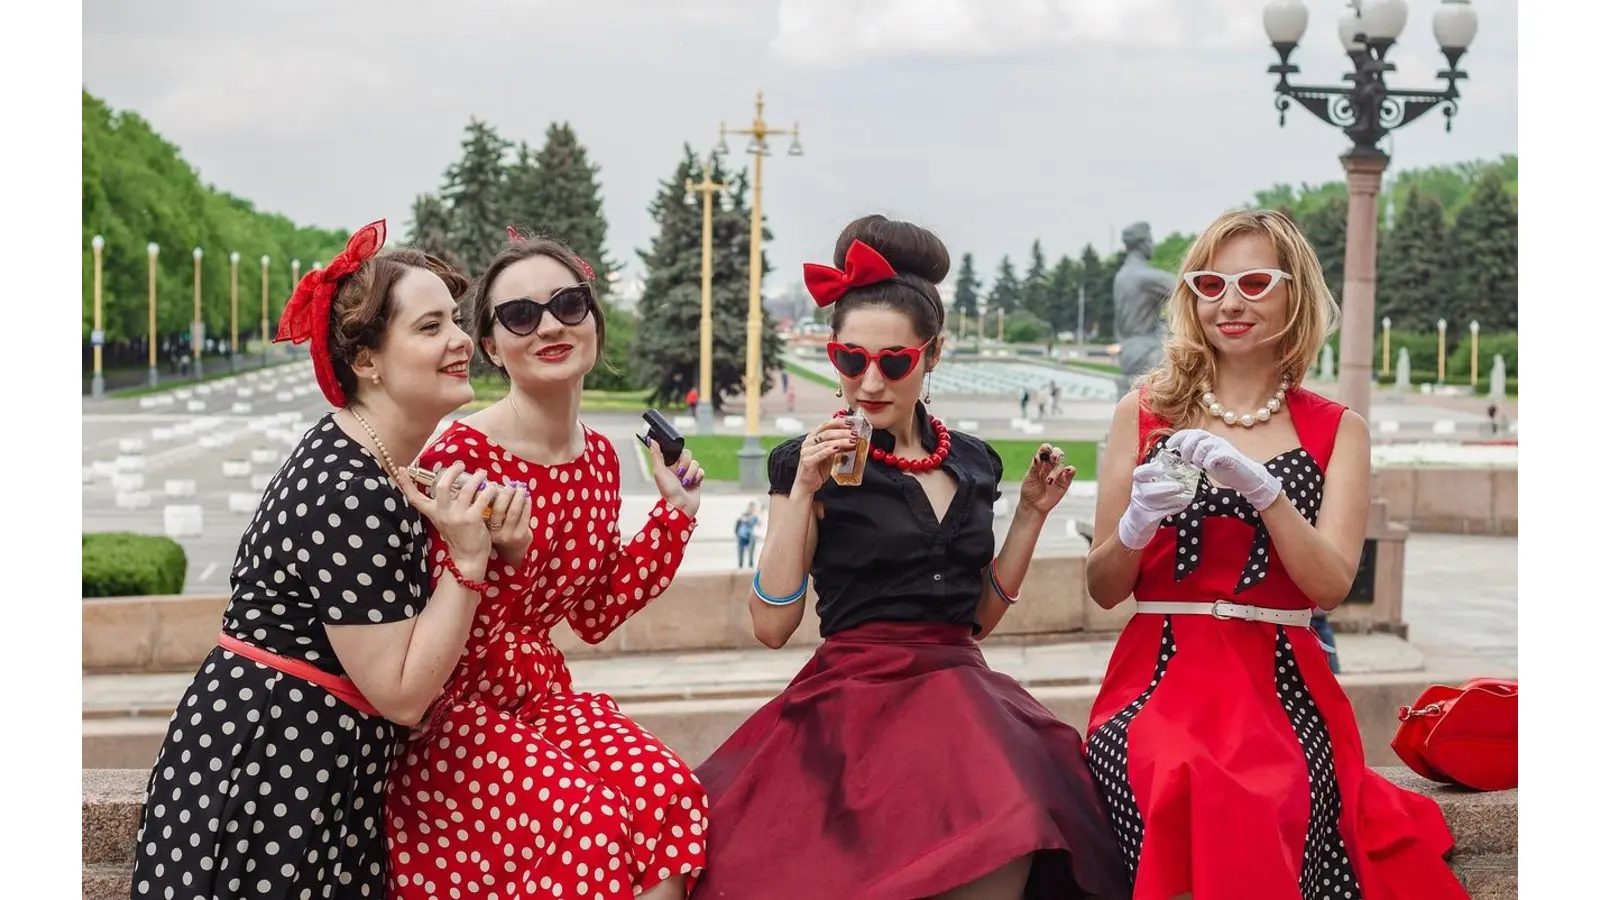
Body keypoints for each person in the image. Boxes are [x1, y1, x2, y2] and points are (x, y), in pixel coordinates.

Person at [693, 215, 1130, 900]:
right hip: (852, 702)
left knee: (1013, 825)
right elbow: (772, 626)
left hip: (960, 697)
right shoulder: (804, 462)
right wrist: (804, 488)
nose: (869, 381)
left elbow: (977, 621)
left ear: (932, 354)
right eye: (849, 359)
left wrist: (1031, 517)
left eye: (893, 360)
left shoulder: (977, 463)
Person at [1083, 208, 1468, 899]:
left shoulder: (1336, 430)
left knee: (1270, 791)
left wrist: (1268, 495)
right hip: (1159, 670)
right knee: (1169, 770)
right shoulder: (1141, 414)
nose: (1229, 302)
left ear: (1294, 294)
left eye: (1255, 283)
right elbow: (1105, 588)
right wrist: (1137, 524)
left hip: (1281, 680)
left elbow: (1329, 585)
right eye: (1209, 284)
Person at [130, 220, 510, 898]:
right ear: (367, 361)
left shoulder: (373, 463)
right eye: (430, 327)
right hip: (270, 782)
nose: (459, 340)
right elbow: (401, 692)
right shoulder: (348, 487)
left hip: (298, 767)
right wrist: (469, 559)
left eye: (455, 319)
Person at [385, 229, 709, 900]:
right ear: (494, 347)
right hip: (454, 715)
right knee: (585, 820)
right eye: (521, 315)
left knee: (668, 792)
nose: (550, 326)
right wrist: (509, 558)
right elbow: (449, 633)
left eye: (568, 304)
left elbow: (592, 613)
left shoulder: (599, 460)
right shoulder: (463, 459)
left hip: (541, 701)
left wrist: (674, 516)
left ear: (593, 319)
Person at [735, 501, 761, 568]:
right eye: (751, 507)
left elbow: (759, 523)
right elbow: (741, 521)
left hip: (750, 536)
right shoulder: (744, 514)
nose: (752, 509)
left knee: (751, 553)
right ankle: (740, 567)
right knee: (741, 553)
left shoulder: (755, 517)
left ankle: (750, 566)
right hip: (742, 536)